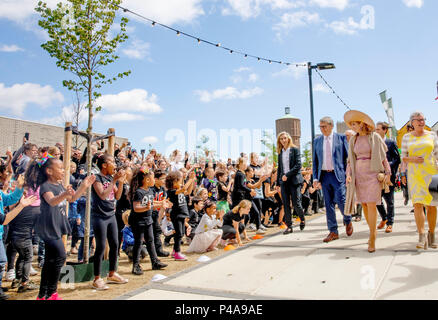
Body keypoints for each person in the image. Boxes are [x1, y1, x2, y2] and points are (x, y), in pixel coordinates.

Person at [27, 153, 95, 300]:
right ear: (49, 171)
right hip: (48, 226)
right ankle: (51, 292)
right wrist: (64, 194)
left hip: (56, 224)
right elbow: (52, 201)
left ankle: (44, 294)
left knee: (51, 260)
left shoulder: (58, 184)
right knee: (60, 256)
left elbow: (73, 198)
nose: (63, 171)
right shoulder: (45, 186)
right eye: (60, 168)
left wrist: (84, 185)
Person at [344, 111, 391, 253]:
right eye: (351, 124)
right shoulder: (353, 140)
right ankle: (371, 231)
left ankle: (372, 236)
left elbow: (383, 157)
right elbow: (350, 160)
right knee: (364, 204)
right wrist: (348, 174)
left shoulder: (374, 137)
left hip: (373, 174)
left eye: (354, 124)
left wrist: (388, 173)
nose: (352, 127)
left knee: (371, 203)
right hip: (359, 174)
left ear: (361, 124)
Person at [90, 154, 128, 290]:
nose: (115, 164)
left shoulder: (110, 178)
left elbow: (117, 196)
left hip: (111, 215)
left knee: (115, 244)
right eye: (112, 161)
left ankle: (112, 273)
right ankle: (97, 278)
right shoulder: (97, 178)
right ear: (104, 165)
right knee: (100, 246)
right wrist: (114, 181)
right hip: (99, 216)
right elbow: (103, 194)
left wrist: (121, 182)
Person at [401, 111, 438, 250]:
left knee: (432, 205)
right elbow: (403, 157)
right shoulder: (406, 137)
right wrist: (413, 159)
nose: (422, 122)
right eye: (419, 120)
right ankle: (422, 234)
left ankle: (432, 234)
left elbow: (437, 153)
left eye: (423, 119)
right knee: (417, 204)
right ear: (412, 122)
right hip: (415, 174)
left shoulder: (432, 135)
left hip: (432, 173)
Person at [312, 117, 352, 243]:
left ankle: (348, 219)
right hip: (324, 176)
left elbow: (348, 158)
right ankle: (333, 231)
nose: (322, 129)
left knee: (341, 200)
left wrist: (348, 174)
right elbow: (315, 161)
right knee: (328, 204)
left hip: (338, 175)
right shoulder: (317, 141)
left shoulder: (340, 138)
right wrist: (315, 177)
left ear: (331, 126)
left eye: (324, 126)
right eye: (320, 127)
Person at [0, 175, 35, 300]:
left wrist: (19, 188)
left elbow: (9, 199)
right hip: (10, 232)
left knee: (3, 260)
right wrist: (21, 205)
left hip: (3, 234)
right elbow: (4, 220)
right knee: (2, 261)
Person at [129, 167, 168, 275]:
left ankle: (155, 261)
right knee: (138, 242)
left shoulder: (150, 190)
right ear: (146, 180)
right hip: (138, 221)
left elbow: (152, 203)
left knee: (150, 241)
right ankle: (136, 265)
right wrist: (147, 207)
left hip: (148, 220)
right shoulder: (138, 192)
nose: (154, 180)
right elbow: (136, 207)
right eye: (152, 178)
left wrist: (161, 204)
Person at [277, 132, 305, 235]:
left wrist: (287, 175)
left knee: (296, 203)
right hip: (284, 181)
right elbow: (280, 168)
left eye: (285, 138)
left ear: (288, 139)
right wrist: (277, 183)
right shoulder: (280, 152)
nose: (283, 140)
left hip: (294, 180)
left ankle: (302, 218)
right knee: (286, 204)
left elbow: (298, 165)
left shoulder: (295, 150)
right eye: (281, 139)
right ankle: (289, 226)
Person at [375, 122, 401, 233]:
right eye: (375, 129)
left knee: (389, 200)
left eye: (378, 129)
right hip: (376, 176)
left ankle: (390, 223)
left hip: (388, 176)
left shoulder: (391, 143)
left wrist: (387, 166)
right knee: (377, 200)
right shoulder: (373, 143)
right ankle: (384, 218)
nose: (376, 131)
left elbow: (397, 159)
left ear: (385, 130)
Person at [165, 170, 196, 261]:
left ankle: (175, 251)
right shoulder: (172, 191)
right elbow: (183, 189)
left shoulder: (179, 191)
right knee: (179, 234)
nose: (181, 183)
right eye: (180, 181)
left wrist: (192, 180)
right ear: (174, 182)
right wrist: (190, 180)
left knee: (181, 233)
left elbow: (188, 191)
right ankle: (177, 253)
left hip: (182, 214)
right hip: (176, 214)